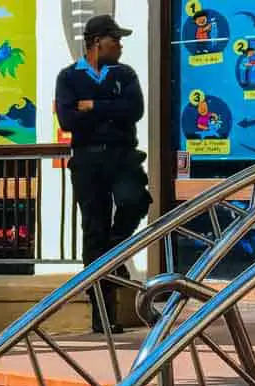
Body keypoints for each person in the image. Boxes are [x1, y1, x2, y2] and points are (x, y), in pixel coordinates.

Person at [54, 14, 152, 334]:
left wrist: (93, 106)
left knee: (135, 200)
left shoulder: (125, 74)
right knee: (93, 232)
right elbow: (68, 119)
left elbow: (134, 110)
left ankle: (114, 251)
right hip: (88, 162)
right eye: (115, 40)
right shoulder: (69, 78)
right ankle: (102, 313)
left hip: (123, 158)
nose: (121, 46)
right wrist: (110, 108)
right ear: (97, 42)